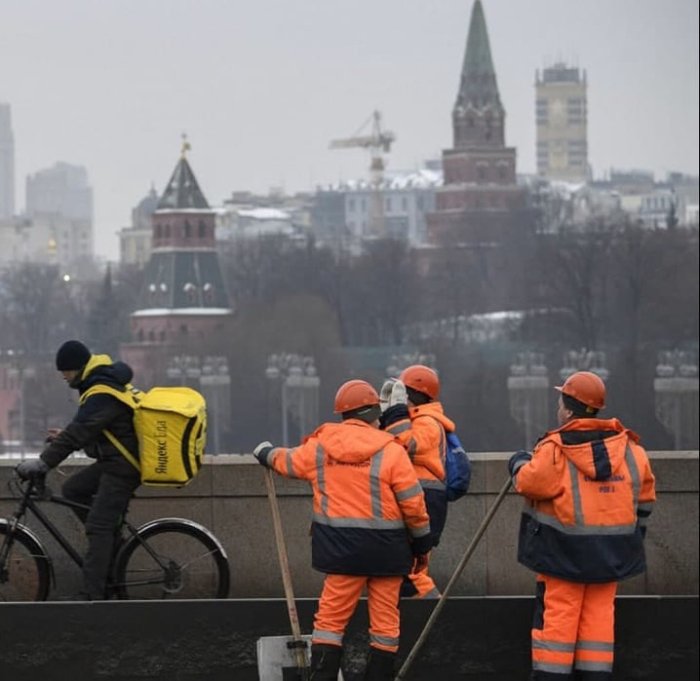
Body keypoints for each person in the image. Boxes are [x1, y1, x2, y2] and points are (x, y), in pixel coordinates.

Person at [253, 379, 432, 681]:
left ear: (343, 414)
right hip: (388, 554)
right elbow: (413, 504)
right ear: (375, 414)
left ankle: (322, 676)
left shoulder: (321, 447)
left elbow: (289, 462)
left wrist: (266, 453)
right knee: (385, 626)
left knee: (330, 622)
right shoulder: (391, 451)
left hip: (341, 552)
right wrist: (421, 542)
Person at [507, 371, 656, 681]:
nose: (558, 407)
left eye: (561, 401)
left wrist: (519, 462)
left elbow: (529, 483)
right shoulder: (632, 451)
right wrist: (629, 538)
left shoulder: (555, 450)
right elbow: (644, 501)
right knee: (598, 625)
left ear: (570, 409)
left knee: (558, 623)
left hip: (561, 557)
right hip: (612, 558)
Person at [16, 340, 141, 600]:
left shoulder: (101, 391)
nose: (63, 375)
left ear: (78, 367)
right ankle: (111, 545)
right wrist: (64, 436)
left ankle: (93, 597)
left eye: (65, 370)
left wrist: (43, 463)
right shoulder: (99, 385)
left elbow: (78, 433)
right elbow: (95, 430)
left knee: (98, 525)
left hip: (123, 467)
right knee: (73, 489)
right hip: (114, 461)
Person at [379, 364, 455, 599]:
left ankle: (433, 616)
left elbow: (405, 444)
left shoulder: (429, 423)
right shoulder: (418, 419)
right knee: (409, 569)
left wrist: (396, 414)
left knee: (412, 572)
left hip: (424, 500)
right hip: (418, 497)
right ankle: (429, 617)